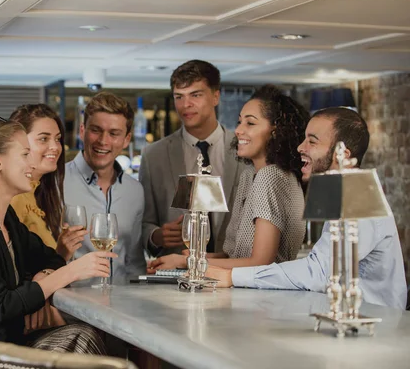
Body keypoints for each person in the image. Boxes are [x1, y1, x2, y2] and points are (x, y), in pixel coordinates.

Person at [0, 118, 117, 368]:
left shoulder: (7, 218)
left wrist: (44, 276)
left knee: (82, 335)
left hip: (4, 346)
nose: (32, 163)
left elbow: (51, 257)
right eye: (25, 154)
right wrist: (69, 272)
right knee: (80, 343)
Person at [204, 107, 407, 310]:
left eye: (312, 141)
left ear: (342, 155)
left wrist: (233, 276)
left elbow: (318, 272)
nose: (301, 147)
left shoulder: (360, 197)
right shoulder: (343, 192)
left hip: (376, 328)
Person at [148, 85, 309, 272]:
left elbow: (261, 263)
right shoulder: (250, 175)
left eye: (250, 123)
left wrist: (188, 262)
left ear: (275, 131)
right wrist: (194, 256)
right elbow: (235, 256)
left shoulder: (271, 176)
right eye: (239, 122)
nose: (239, 130)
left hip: (264, 295)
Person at [139, 60, 247, 257]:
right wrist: (156, 236)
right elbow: (143, 222)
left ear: (215, 97)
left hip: (235, 273)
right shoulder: (153, 156)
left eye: (195, 95)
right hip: (177, 275)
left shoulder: (245, 150)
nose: (186, 105)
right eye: (179, 97)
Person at [64, 91, 146, 278]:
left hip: (120, 302)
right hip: (70, 303)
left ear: (126, 139)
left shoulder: (135, 191)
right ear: (82, 131)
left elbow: (134, 260)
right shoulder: (55, 183)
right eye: (96, 130)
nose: (103, 141)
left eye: (114, 133)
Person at [10, 104, 86, 261]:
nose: (55, 147)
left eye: (57, 139)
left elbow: (40, 268)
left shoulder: (39, 194)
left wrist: (62, 253)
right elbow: (14, 273)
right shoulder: (14, 197)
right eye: (43, 139)